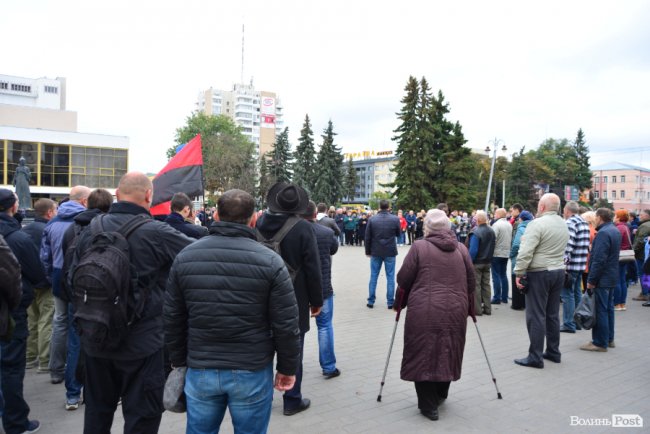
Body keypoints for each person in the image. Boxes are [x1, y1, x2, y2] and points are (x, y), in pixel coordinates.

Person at [164, 189, 301, 434]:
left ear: (216, 215)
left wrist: (178, 360)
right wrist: (288, 367)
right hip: (251, 369)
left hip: (201, 367)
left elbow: (173, 316)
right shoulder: (269, 261)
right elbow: (286, 323)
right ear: (253, 219)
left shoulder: (186, 256)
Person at [71, 172, 193, 434]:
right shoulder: (157, 232)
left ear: (117, 192)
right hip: (142, 343)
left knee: (96, 412)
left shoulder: (90, 229)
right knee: (142, 417)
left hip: (96, 338)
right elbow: (202, 256)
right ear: (148, 195)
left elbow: (70, 280)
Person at [396, 209, 476, 421]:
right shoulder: (461, 248)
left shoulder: (419, 247)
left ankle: (429, 405)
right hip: (455, 310)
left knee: (422, 352)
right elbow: (471, 282)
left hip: (424, 310)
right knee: (448, 349)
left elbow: (404, 279)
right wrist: (470, 307)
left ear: (427, 228)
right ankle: (441, 394)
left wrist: (399, 304)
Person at [256, 182, 323, 416]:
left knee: (263, 351)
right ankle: (292, 399)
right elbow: (313, 269)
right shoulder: (303, 228)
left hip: (261, 298)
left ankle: (262, 398)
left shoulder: (259, 222)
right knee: (294, 350)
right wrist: (317, 300)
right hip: (295, 298)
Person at [0, 189, 46, 434]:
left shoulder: (19, 235)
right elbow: (35, 274)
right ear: (13, 207)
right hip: (10, 312)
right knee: (10, 369)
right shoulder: (17, 238)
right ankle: (16, 423)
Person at [40, 185, 90, 410]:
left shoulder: (52, 222)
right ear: (83, 201)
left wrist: (53, 277)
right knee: (79, 333)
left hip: (60, 277)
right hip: (80, 281)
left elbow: (45, 256)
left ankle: (56, 369)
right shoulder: (84, 223)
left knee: (60, 323)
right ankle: (81, 385)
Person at [513, 193, 569, 368]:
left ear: (542, 207)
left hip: (540, 273)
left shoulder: (536, 224)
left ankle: (535, 357)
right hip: (558, 271)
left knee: (535, 315)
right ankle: (553, 351)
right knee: (552, 314)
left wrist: (519, 272)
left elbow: (526, 252)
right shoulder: (563, 223)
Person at [301, 201, 340, 379]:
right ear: (316, 213)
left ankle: (294, 367)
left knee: (297, 330)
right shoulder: (326, 232)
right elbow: (333, 249)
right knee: (324, 326)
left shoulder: (293, 233)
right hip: (323, 286)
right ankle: (329, 367)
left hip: (299, 289)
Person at [22, 198, 57, 373]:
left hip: (28, 283)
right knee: (46, 321)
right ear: (49, 212)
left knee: (31, 320)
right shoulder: (49, 230)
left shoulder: (24, 231)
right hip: (46, 283)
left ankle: (29, 357)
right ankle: (44, 361)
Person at [581, 208, 621, 352]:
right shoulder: (614, 230)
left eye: (596, 217)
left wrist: (591, 280)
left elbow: (599, 260)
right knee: (608, 309)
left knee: (601, 310)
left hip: (602, 278)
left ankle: (599, 342)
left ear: (600, 217)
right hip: (610, 277)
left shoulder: (603, 233)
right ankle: (609, 339)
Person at [560, 201, 590, 333]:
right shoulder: (583, 222)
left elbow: (568, 247)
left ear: (566, 211)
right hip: (580, 264)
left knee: (567, 295)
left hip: (571, 266)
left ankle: (569, 324)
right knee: (577, 292)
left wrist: (563, 266)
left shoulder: (570, 223)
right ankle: (577, 322)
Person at [364, 199, 400, 309]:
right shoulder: (395, 219)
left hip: (376, 251)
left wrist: (367, 251)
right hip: (390, 251)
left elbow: (367, 237)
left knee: (373, 276)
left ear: (379, 207)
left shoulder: (372, 219)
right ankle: (390, 302)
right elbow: (398, 234)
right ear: (388, 207)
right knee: (390, 277)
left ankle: (371, 301)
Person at [468, 211, 495, 315]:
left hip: (477, 263)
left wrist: (469, 262)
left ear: (478, 220)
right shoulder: (491, 231)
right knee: (486, 285)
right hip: (487, 261)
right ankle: (488, 309)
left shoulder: (475, 232)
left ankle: (477, 310)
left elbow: (473, 250)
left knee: (477, 286)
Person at [510, 211, 534, 310]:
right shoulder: (533, 227)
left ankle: (517, 304)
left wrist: (511, 254)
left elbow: (516, 244)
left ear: (521, 219)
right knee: (525, 279)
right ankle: (524, 303)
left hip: (519, 257)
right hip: (529, 258)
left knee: (516, 279)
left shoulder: (521, 228)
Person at [491, 208, 512, 305]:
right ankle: (504, 297)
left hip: (496, 253)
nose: (494, 215)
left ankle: (497, 297)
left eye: (495, 213)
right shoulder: (509, 224)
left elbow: (493, 239)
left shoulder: (496, 225)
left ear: (499, 215)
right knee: (503, 275)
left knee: (496, 275)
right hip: (506, 253)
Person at [613, 209, 632, 311]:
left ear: (619, 217)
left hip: (619, 255)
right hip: (625, 255)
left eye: (615, 215)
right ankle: (622, 303)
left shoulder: (619, 227)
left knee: (617, 280)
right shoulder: (626, 226)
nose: (614, 217)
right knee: (622, 280)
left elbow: (616, 242)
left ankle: (617, 303)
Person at [632, 209, 650, 303]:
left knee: (643, 274)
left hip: (642, 254)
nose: (640, 216)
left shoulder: (644, 226)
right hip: (646, 254)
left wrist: (633, 251)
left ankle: (645, 293)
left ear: (647, 216)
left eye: (642, 215)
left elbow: (640, 241)